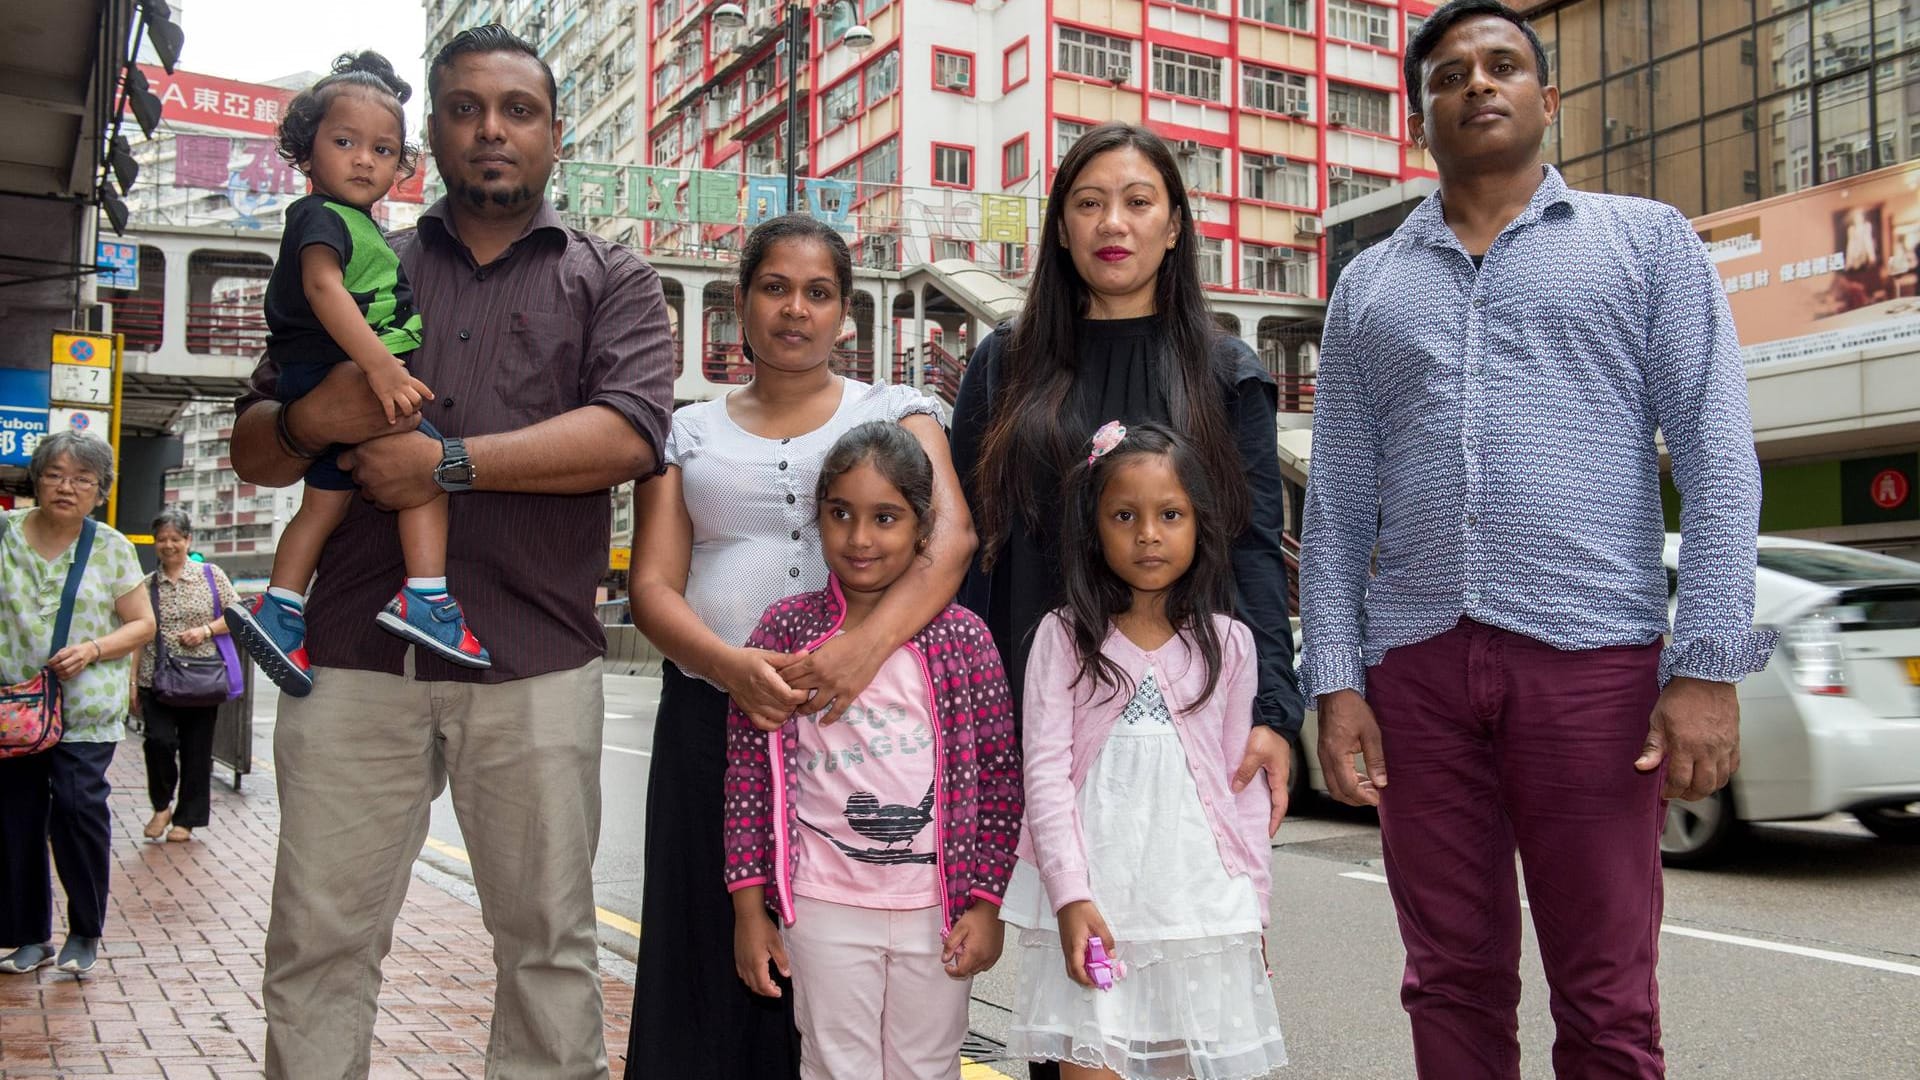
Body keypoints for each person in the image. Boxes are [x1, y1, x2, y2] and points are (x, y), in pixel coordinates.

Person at [1300, 3, 1773, 1077]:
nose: (1479, 84)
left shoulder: (1645, 243)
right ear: (1419, 118)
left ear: (1547, 100)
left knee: (1608, 997)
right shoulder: (1368, 286)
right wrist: (1338, 682)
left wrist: (1706, 665)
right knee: (1449, 982)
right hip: (1415, 670)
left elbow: (1717, 457)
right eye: (1452, 73)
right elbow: (1336, 506)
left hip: (1593, 665)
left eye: (1504, 65)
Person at [228, 24, 675, 1079]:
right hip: (349, 661)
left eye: (517, 110)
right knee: (317, 947)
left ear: (557, 135)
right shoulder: (349, 253)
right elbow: (254, 443)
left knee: (549, 956)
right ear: (431, 132)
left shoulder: (610, 276)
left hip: (533, 658)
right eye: (466, 108)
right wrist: (315, 419)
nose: (492, 130)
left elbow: (629, 431)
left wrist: (450, 467)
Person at [625, 214, 975, 1079]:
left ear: (845, 313)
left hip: (861, 731)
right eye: (774, 288)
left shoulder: (898, 411)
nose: (795, 310)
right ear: (739, 305)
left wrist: (860, 652)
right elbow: (652, 587)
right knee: (707, 947)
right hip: (714, 718)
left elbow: (953, 542)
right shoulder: (688, 429)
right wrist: (728, 666)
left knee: (839, 972)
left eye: (818, 293)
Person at [724, 420, 1021, 1080]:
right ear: (818, 519)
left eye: (884, 518)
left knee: (928, 1066)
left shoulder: (963, 641)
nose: (860, 539)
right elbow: (748, 778)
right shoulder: (784, 630)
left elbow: (1003, 780)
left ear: (923, 529)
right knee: (835, 1066)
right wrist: (750, 909)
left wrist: (986, 903)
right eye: (841, 514)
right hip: (822, 905)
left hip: (936, 911)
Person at [1000, 422, 1287, 1080]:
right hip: (1097, 907)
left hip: (1196, 911)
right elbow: (1044, 777)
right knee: (1090, 1063)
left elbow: (1240, 793)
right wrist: (1070, 898)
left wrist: (1252, 912)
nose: (1149, 534)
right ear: (1093, 526)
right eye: (1124, 515)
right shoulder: (1063, 638)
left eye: (1170, 514)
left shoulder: (1231, 645)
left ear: (1199, 524)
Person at [226, 50, 488, 699]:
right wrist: (378, 369)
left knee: (324, 502)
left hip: (325, 375)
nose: (364, 159)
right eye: (345, 142)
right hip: (340, 373)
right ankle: (427, 598)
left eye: (382, 148)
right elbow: (322, 289)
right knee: (428, 471)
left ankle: (282, 606)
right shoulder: (321, 217)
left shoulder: (352, 222)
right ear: (305, 150)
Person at [0, 432, 155, 976]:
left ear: (99, 490)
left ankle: (84, 930)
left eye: (82, 479)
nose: (67, 487)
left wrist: (93, 649)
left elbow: (143, 623)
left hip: (87, 707)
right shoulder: (4, 535)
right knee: (16, 818)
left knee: (76, 805)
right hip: (14, 709)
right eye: (55, 474)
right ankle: (27, 936)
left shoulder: (112, 546)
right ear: (36, 479)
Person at [136, 508, 239, 843]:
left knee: (197, 752)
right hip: (156, 678)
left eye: (175, 539)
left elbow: (237, 614)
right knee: (158, 742)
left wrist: (206, 631)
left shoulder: (210, 576)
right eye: (162, 539)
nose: (169, 545)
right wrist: (130, 682)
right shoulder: (147, 585)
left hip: (201, 680)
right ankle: (162, 804)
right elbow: (136, 632)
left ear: (187, 539)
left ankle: (187, 820)